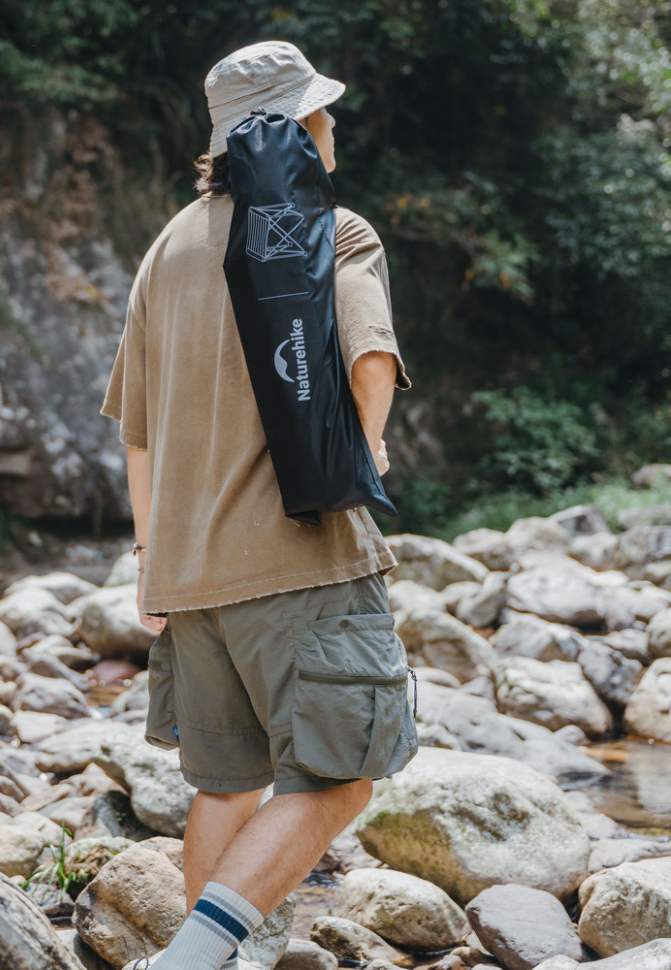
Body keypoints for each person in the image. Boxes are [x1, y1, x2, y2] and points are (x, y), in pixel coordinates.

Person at [101, 40, 417, 970]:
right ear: (294, 128)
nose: (335, 125)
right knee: (342, 777)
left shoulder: (167, 245)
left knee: (229, 786)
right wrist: (366, 444)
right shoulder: (336, 227)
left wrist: (152, 558)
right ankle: (189, 962)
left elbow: (137, 431)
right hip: (301, 563)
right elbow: (370, 354)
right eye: (322, 112)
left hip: (191, 579)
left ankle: (209, 963)